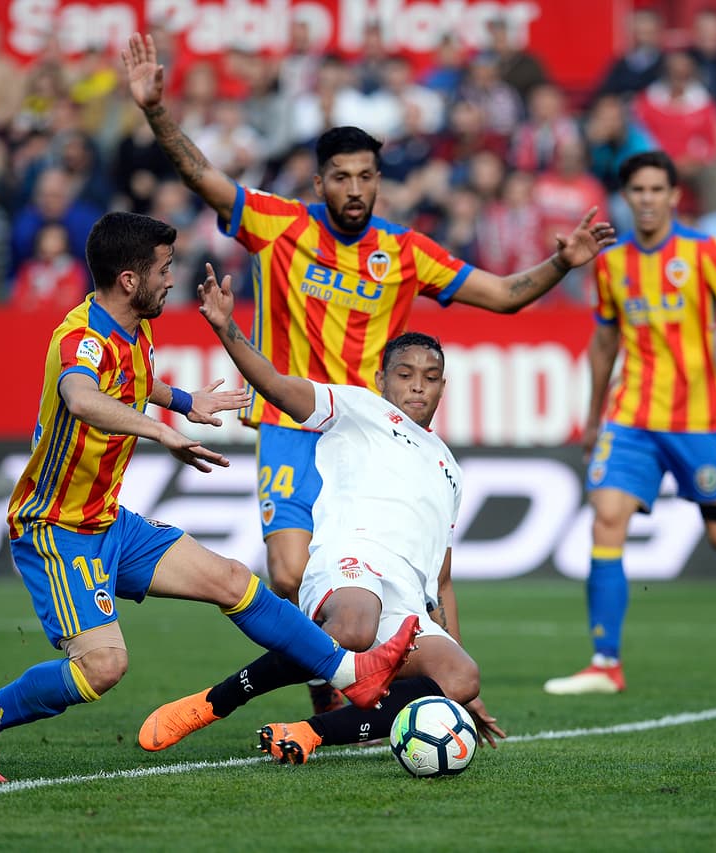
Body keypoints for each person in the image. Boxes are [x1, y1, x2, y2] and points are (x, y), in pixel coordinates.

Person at [122, 32, 615, 713]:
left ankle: (363, 687)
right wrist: (156, 114)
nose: (355, 189)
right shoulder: (281, 225)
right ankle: (337, 687)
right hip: (295, 424)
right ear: (319, 181)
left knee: (381, 585)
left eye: (366, 176)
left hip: (373, 441)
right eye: (341, 176)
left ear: (379, 180)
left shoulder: (405, 252)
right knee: (290, 572)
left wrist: (562, 261)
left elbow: (502, 295)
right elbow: (204, 177)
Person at [0, 212, 419, 784]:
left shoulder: (132, 330)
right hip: (56, 530)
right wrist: (162, 429)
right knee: (102, 667)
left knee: (233, 581)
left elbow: (136, 383)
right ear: (128, 279)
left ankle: (348, 675)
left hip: (109, 523)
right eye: (165, 269)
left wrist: (185, 400)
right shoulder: (81, 339)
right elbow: (83, 398)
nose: (173, 278)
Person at [138, 273, 504, 763]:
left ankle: (308, 733)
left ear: (443, 386)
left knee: (461, 676)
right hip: (351, 564)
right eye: (405, 373)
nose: (418, 385)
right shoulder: (359, 409)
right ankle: (215, 701)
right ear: (381, 380)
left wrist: (459, 693)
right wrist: (228, 329)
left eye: (431, 376)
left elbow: (442, 580)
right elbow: (274, 386)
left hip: (407, 597)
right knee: (353, 628)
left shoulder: (450, 470)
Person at [543, 151, 716, 697]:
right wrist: (593, 420)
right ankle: (605, 662)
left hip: (695, 421)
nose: (646, 199)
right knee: (606, 517)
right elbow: (603, 343)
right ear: (626, 196)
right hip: (631, 417)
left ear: (672, 196)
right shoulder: (612, 263)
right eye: (636, 190)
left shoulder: (701, 251)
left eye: (655, 190)